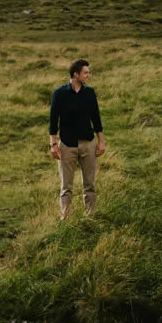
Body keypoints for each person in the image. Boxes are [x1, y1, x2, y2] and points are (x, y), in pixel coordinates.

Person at [49, 59, 106, 217]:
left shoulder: (89, 93)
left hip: (88, 144)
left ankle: (90, 217)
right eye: (85, 72)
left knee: (90, 185)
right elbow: (53, 121)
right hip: (67, 145)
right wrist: (53, 144)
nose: (88, 75)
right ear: (76, 74)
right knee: (66, 187)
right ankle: (65, 220)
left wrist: (101, 141)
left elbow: (96, 118)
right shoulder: (59, 94)